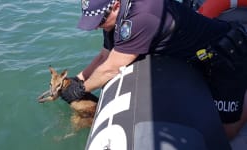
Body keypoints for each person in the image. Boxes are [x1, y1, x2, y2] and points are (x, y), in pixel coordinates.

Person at [59, 0, 247, 148]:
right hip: (196, 56)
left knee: (226, 131)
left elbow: (112, 67)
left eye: (98, 21)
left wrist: (79, 90)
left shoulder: (141, 16)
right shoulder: (114, 18)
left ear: (116, 5)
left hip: (225, 52)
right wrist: (76, 80)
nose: (95, 27)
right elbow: (104, 56)